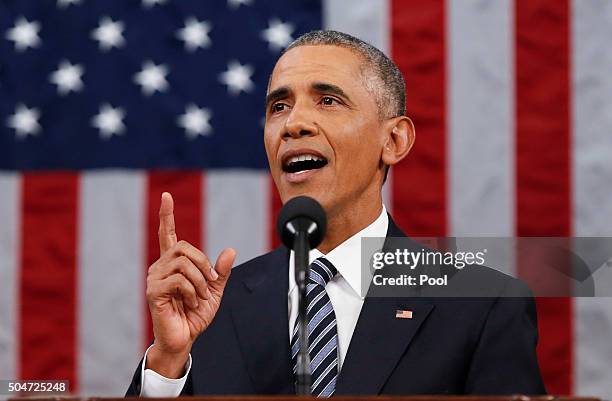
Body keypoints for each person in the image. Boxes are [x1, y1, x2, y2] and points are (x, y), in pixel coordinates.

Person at [126, 30, 546, 397]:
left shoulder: (482, 305)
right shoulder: (213, 308)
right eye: (279, 107)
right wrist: (167, 362)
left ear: (394, 140)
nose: (294, 124)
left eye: (327, 101)